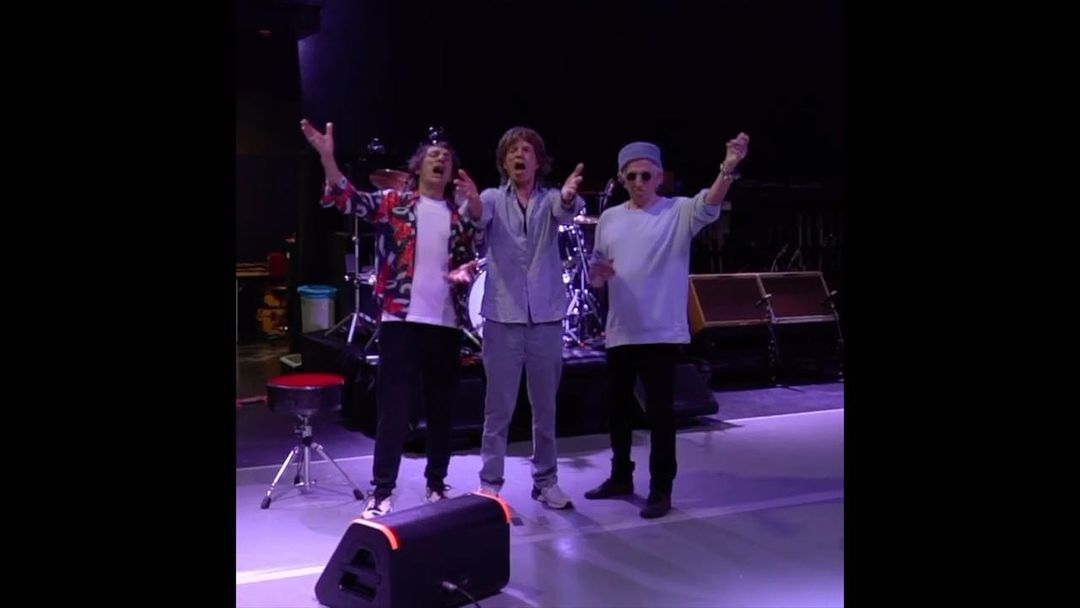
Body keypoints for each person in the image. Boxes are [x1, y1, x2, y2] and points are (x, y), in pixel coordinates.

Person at [300, 119, 481, 519]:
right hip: (401, 321)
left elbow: (473, 258)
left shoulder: (459, 218)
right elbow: (346, 199)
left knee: (441, 410)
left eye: (446, 157)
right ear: (418, 166)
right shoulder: (393, 202)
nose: (440, 160)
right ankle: (382, 490)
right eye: (433, 155)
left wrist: (466, 269)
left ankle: (437, 484)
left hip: (447, 325)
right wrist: (328, 158)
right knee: (394, 411)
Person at [584, 134, 750, 518]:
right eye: (631, 177)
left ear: (659, 177)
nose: (639, 183)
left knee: (660, 414)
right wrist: (598, 275)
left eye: (646, 175)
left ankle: (661, 488)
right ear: (622, 179)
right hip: (621, 331)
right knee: (618, 411)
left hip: (660, 332)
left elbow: (710, 203)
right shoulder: (610, 218)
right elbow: (595, 272)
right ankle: (621, 476)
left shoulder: (677, 212)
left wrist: (728, 167)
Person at [455, 126, 585, 508]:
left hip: (545, 317)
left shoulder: (550, 199)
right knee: (497, 409)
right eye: (512, 150)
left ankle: (546, 481)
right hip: (502, 317)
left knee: (545, 408)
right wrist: (472, 202)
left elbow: (567, 210)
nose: (519, 155)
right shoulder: (493, 198)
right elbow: (476, 217)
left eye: (526, 149)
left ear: (538, 161)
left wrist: (569, 195)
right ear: (504, 161)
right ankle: (490, 485)